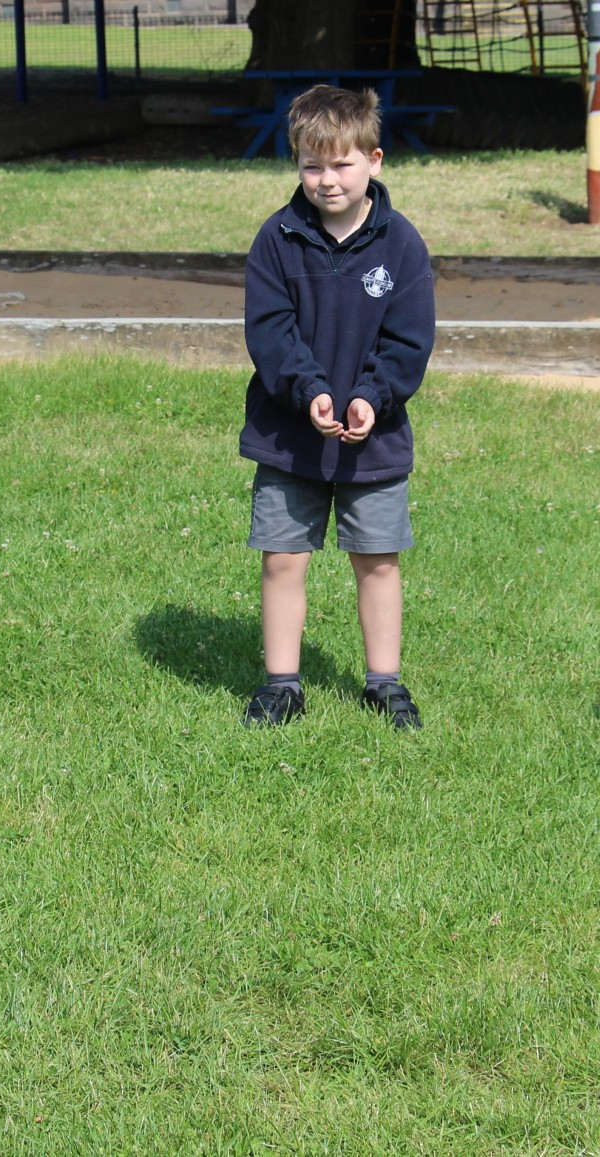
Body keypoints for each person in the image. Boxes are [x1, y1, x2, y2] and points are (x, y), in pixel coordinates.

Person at [237, 85, 435, 730]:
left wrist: (371, 399)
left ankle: (384, 683)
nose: (326, 180)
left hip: (373, 437)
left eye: (341, 164)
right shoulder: (277, 238)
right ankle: (281, 684)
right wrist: (311, 393)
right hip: (289, 433)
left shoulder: (402, 244)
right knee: (283, 558)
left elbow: (409, 339)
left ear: (374, 160)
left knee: (377, 559)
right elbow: (270, 332)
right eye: (311, 165)